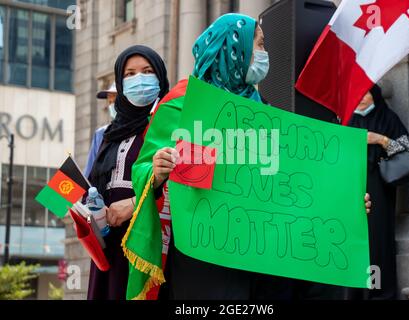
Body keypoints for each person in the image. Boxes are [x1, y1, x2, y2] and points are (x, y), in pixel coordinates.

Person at [125, 13, 371, 300]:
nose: (265, 53)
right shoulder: (181, 106)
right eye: (259, 44)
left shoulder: (268, 113)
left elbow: (293, 184)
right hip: (204, 260)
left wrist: (343, 204)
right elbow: (143, 169)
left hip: (264, 261)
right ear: (233, 48)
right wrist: (156, 172)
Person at [86, 45, 169, 300]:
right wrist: (92, 211)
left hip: (146, 238)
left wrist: (134, 205)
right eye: (129, 74)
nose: (138, 80)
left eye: (147, 71)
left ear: (160, 77)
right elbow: (91, 183)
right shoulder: (108, 134)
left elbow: (181, 185)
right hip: (107, 242)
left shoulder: (168, 125)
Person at [347, 85, 409, 300]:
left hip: (379, 193)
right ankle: (354, 293)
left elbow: (407, 152)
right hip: (350, 194)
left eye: (366, 92)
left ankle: (378, 294)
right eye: (357, 93)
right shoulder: (346, 119)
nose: (361, 98)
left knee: (377, 245)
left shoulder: (388, 118)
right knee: (352, 244)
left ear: (375, 95)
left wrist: (380, 140)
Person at [84, 83, 118, 177]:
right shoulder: (101, 133)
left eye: (115, 100)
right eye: (110, 102)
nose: (112, 105)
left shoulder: (143, 128)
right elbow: (89, 171)